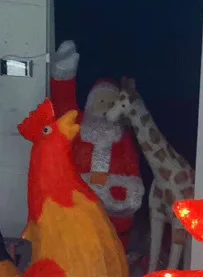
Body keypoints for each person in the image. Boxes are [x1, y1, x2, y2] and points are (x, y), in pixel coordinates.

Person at [50, 40, 144, 250]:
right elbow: (64, 105)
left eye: (111, 104)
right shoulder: (80, 125)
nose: (106, 109)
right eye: (102, 102)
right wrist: (64, 74)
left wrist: (131, 190)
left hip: (113, 201)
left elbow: (131, 165)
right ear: (91, 103)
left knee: (115, 236)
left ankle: (115, 258)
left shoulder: (122, 136)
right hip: (79, 196)